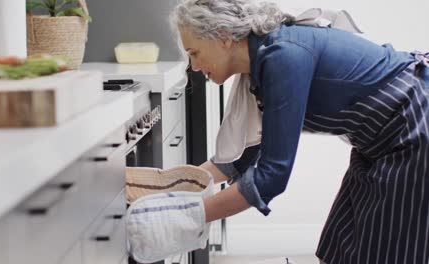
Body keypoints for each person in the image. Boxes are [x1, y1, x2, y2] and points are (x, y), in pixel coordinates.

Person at [128, 0, 429, 263]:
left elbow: (272, 176)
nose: (193, 66)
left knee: (388, 250)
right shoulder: (261, 64)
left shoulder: (283, 56)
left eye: (194, 53)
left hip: (412, 130)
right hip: (378, 142)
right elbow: (240, 159)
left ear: (222, 36)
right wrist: (171, 188)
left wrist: (185, 216)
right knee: (339, 245)